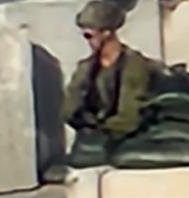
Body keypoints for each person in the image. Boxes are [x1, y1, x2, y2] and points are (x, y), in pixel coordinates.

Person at [43, 0, 163, 181]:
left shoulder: (133, 65)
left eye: (89, 35)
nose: (87, 41)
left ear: (107, 33)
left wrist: (101, 128)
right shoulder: (87, 67)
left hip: (126, 139)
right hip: (96, 138)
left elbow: (129, 117)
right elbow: (68, 111)